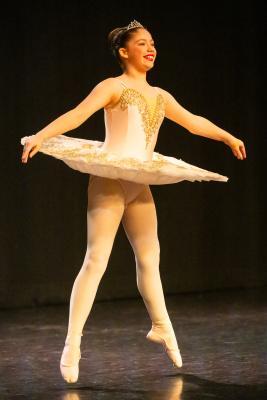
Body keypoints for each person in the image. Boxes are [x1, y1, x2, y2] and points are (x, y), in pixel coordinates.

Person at [20, 20, 246, 383]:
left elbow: (192, 122)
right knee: (96, 259)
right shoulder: (113, 87)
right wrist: (41, 136)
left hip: (139, 180)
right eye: (142, 43)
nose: (150, 48)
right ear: (124, 52)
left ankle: (161, 326)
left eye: (152, 42)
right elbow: (78, 114)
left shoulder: (161, 96)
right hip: (110, 178)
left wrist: (227, 136)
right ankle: (72, 343)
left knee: (150, 257)